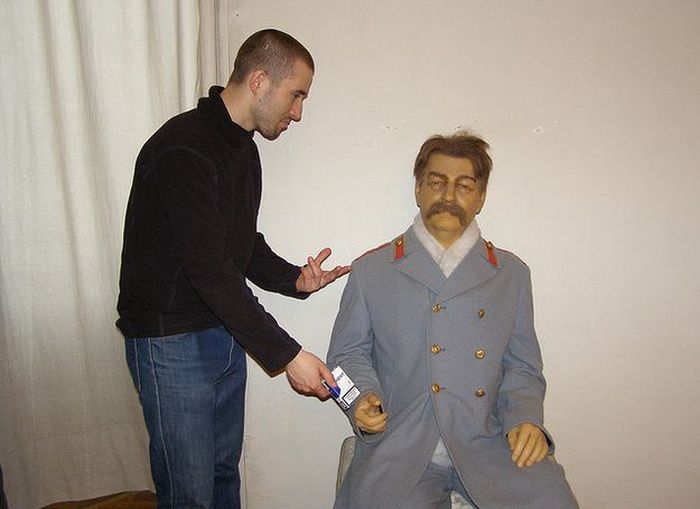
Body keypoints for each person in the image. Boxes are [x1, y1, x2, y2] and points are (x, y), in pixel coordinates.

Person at [116, 29, 349, 509]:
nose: (298, 113)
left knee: (224, 477)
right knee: (189, 493)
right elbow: (210, 270)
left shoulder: (243, 149)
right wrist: (288, 354)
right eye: (296, 95)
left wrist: (294, 280)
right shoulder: (183, 147)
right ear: (259, 80)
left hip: (222, 333)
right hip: (169, 343)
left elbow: (240, 244)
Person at [326, 131, 578, 508]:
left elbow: (523, 366)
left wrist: (525, 418)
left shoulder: (511, 274)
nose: (448, 195)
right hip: (401, 445)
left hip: (491, 442)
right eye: (436, 182)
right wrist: (359, 399)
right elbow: (345, 357)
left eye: (464, 186)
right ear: (418, 189)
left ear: (481, 197)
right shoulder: (371, 270)